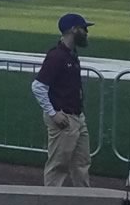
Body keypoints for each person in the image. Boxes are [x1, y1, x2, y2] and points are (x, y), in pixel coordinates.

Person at [32, 12, 92, 187]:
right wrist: (53, 113)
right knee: (58, 166)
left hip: (77, 118)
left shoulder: (71, 55)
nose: (86, 32)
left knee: (81, 163)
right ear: (73, 30)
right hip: (63, 119)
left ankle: (84, 203)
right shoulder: (57, 56)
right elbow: (38, 86)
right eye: (83, 28)